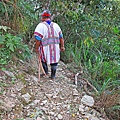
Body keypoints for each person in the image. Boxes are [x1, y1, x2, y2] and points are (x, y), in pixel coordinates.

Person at [34, 10, 65, 80]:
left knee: (43, 58)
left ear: (43, 17)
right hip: (55, 47)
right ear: (49, 17)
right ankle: (53, 75)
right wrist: (62, 46)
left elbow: (38, 39)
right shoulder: (56, 25)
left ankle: (45, 71)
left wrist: (37, 48)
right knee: (54, 60)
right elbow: (61, 37)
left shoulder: (40, 26)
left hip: (45, 47)